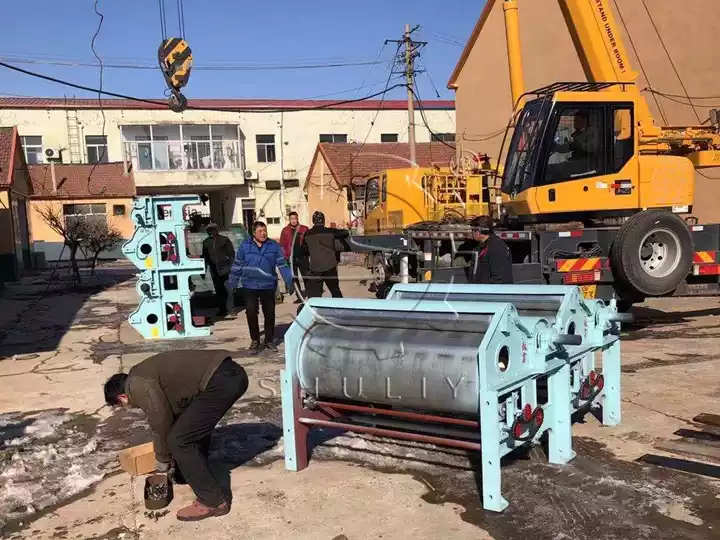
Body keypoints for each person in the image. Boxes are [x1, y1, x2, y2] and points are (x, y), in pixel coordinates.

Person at [103, 350, 249, 522]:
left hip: (222, 380)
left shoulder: (136, 385)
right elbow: (176, 413)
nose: (128, 408)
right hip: (228, 375)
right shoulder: (141, 375)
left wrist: (162, 461)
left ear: (122, 396)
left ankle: (213, 501)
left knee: (181, 441)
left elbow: (160, 422)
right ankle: (190, 472)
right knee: (186, 431)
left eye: (121, 405)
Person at [227, 221, 293, 353]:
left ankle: (269, 341)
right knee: (251, 312)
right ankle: (255, 340)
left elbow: (282, 265)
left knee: (269, 314)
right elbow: (237, 265)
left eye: (265, 230)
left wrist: (289, 281)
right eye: (260, 231)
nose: (263, 233)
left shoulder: (273, 246)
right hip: (249, 285)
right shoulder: (245, 246)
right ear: (253, 233)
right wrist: (232, 283)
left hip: (268, 285)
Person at [301, 211, 349, 299]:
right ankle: (339, 309)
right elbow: (346, 233)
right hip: (330, 266)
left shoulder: (307, 234)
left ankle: (316, 311)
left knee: (315, 295)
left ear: (313, 221)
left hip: (315, 267)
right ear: (323, 220)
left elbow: (304, 251)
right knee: (335, 291)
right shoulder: (330, 231)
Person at [462, 216, 514, 284]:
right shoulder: (479, 246)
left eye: (473, 230)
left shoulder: (496, 247)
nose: (472, 233)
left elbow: (499, 278)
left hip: (493, 292)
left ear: (479, 231)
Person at [201, 223, 236, 317]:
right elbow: (205, 257)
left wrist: (231, 267)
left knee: (229, 290)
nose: (211, 232)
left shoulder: (224, 240)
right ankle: (222, 310)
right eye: (209, 230)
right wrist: (203, 271)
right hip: (214, 270)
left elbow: (231, 254)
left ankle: (231, 310)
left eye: (213, 230)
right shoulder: (206, 242)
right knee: (219, 291)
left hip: (226, 268)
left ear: (217, 230)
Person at [279, 211, 309, 303]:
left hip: (302, 257)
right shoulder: (285, 230)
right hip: (291, 258)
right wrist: (285, 256)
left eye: (295, 218)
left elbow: (309, 242)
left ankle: (310, 294)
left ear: (297, 218)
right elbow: (282, 244)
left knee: (306, 276)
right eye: (291, 219)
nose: (293, 221)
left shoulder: (304, 229)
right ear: (289, 219)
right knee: (294, 278)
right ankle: (299, 296)